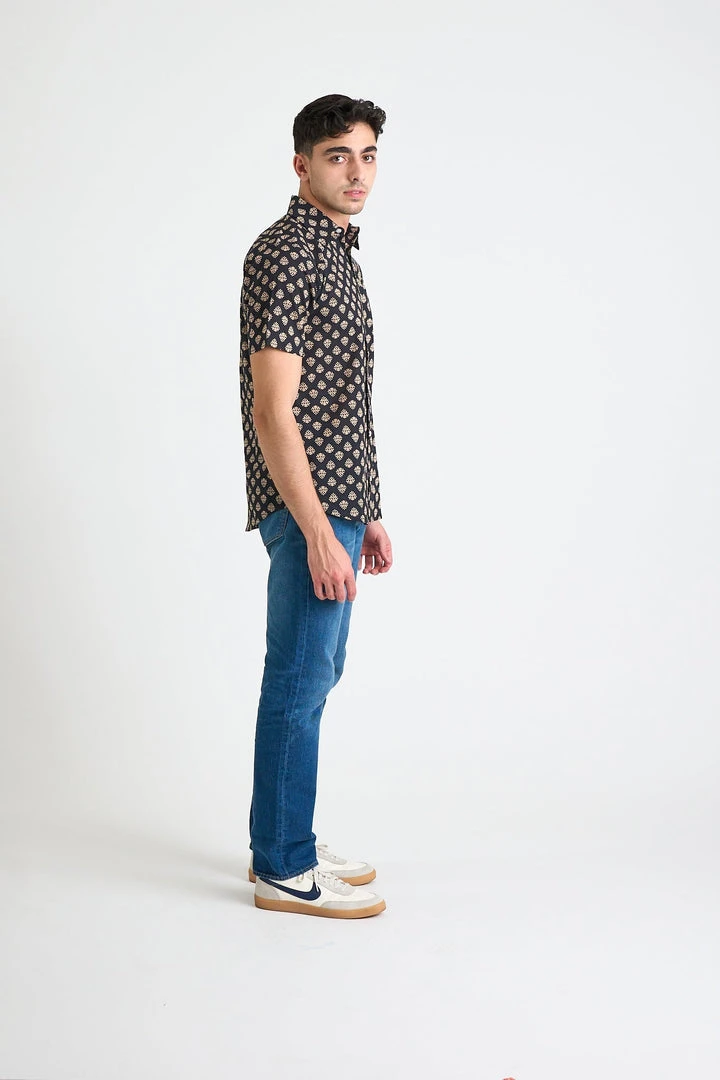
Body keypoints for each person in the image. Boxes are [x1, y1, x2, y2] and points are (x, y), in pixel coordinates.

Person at [238, 94, 393, 919]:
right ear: (302, 165)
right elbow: (275, 411)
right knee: (298, 679)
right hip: (307, 508)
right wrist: (315, 531)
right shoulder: (288, 253)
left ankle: (284, 834)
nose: (356, 171)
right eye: (338, 155)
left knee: (314, 674)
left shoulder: (337, 254)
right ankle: (283, 866)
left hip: (336, 502)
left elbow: (340, 402)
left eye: (367, 155)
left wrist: (367, 509)